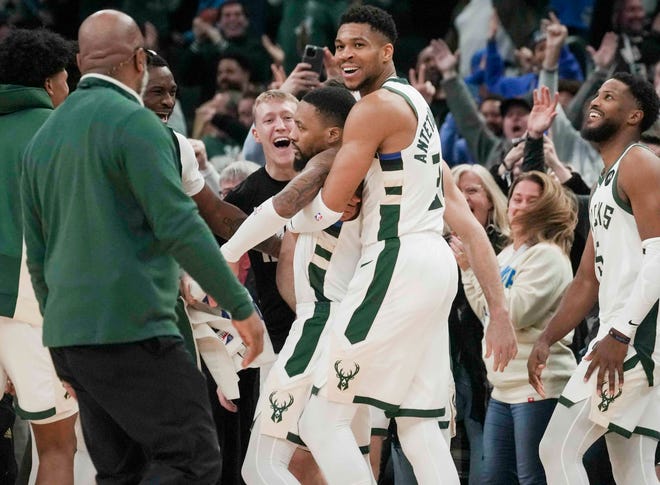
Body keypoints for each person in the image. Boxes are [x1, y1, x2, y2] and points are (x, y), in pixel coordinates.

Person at [20, 10, 264, 483]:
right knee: (192, 458)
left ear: (78, 62)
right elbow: (181, 227)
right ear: (138, 60)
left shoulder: (43, 138)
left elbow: (39, 253)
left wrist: (58, 341)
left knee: (121, 473)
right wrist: (240, 306)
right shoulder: (138, 125)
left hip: (72, 337)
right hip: (131, 328)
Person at [528, 72, 660, 484]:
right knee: (632, 464)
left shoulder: (640, 163)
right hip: (627, 332)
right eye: (596, 95)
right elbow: (588, 280)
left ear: (634, 115)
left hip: (635, 336)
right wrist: (548, 337)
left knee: (557, 449)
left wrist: (621, 335)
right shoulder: (607, 179)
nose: (595, 101)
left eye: (609, 96)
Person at [241, 85, 361, 485]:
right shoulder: (351, 162)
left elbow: (287, 203)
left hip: (322, 320)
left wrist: (225, 252)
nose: (290, 132)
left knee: (260, 465)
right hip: (334, 323)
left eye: (298, 124)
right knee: (333, 452)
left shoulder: (332, 161)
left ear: (330, 133)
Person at [458, 171, 578, 484]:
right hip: (502, 389)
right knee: (495, 479)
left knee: (533, 479)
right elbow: (486, 313)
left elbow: (514, 315)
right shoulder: (506, 254)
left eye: (531, 200)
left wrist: (477, 273)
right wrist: (471, 272)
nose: (519, 206)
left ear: (546, 207)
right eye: (516, 198)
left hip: (537, 388)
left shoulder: (549, 257)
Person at [0, 28, 78, 485]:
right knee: (58, 445)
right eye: (67, 81)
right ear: (49, 84)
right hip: (30, 309)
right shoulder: (57, 132)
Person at [448, 163, 510, 484]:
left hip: (491, 370)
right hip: (450, 368)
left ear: (490, 200)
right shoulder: (432, 245)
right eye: (455, 191)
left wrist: (469, 267)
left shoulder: (506, 247)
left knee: (489, 468)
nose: (462, 197)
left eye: (471, 190)